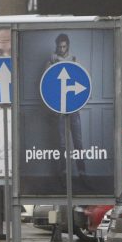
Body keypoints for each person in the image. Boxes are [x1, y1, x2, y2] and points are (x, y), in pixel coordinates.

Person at [45, 33, 84, 174]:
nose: (62, 49)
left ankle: (82, 172)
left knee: (78, 142)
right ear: (56, 46)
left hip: (73, 106)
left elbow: (81, 78)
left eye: (64, 46)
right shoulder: (51, 61)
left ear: (67, 46)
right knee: (62, 143)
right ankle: (63, 172)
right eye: (59, 47)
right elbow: (47, 83)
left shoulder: (74, 60)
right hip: (59, 108)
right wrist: (53, 63)